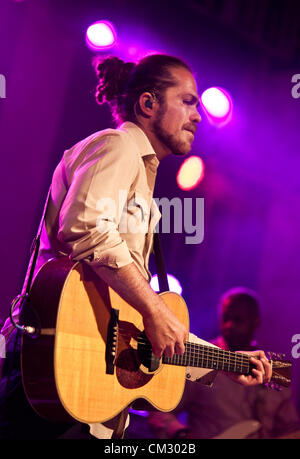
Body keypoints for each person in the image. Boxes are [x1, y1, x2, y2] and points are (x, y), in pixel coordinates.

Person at [0, 55, 272, 439]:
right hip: (54, 362)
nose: (198, 116)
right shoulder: (118, 146)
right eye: (188, 101)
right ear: (148, 104)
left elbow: (139, 315)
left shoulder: (141, 179)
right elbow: (87, 228)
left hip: (82, 377)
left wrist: (224, 361)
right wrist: (153, 311)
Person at [147, 287, 300, 439]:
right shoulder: (199, 356)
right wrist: (182, 434)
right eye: (226, 318)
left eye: (238, 319)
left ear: (255, 322)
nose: (229, 325)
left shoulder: (274, 369)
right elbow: (158, 410)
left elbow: (289, 427)